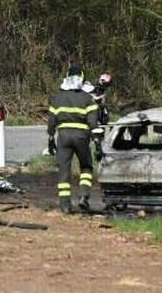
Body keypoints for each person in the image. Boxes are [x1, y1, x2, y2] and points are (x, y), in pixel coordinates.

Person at [48, 65, 99, 213]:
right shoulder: (87, 99)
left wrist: (51, 139)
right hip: (82, 137)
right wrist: (97, 142)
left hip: (63, 137)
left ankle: (65, 205)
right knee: (86, 167)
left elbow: (52, 121)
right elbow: (93, 124)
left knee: (64, 170)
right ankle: (83, 196)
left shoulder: (58, 98)